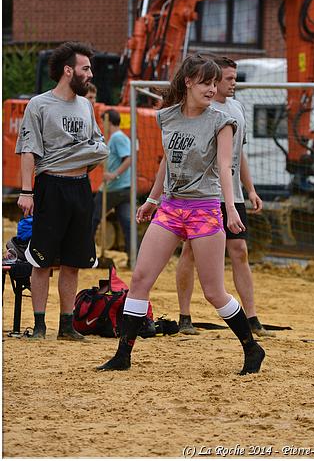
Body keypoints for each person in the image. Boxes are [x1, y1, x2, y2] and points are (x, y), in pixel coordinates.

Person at [97, 54, 265, 374]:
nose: (212, 88)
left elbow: (225, 167)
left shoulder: (221, 121)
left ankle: (251, 348)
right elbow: (166, 161)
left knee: (214, 291)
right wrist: (152, 199)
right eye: (206, 82)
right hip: (172, 207)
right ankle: (123, 355)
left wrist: (230, 209)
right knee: (140, 279)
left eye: (215, 83)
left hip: (205, 208)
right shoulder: (168, 117)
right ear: (188, 82)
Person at [15, 41, 109, 340]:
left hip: (80, 188)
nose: (90, 74)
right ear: (68, 71)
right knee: (41, 260)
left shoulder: (86, 105)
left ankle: (66, 326)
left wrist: (80, 160)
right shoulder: (39, 105)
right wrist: (27, 191)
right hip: (50, 188)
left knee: (74, 261)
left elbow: (99, 146)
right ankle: (40, 324)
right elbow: (29, 151)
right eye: (85, 68)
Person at [176, 56, 271, 337]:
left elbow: (237, 155)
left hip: (232, 195)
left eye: (233, 78)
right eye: (228, 79)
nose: (233, 84)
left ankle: (252, 317)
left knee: (239, 251)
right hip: (203, 195)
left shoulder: (236, 109)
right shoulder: (197, 110)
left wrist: (250, 189)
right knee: (190, 251)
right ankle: (185, 317)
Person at [91, 109, 131, 262]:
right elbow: (114, 160)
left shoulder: (117, 138)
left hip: (114, 188)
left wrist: (114, 174)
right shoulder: (117, 138)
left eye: (102, 122)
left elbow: (128, 159)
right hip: (124, 188)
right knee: (126, 223)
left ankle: (86, 255)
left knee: (92, 218)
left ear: (108, 122)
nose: (101, 125)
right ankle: (133, 258)